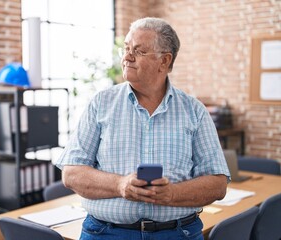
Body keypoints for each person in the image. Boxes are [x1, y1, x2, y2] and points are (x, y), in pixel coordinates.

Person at [56, 17, 230, 240]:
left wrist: (172, 194)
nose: (127, 57)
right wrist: (119, 185)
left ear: (164, 61)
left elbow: (217, 184)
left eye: (138, 51)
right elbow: (71, 174)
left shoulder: (194, 110)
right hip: (105, 232)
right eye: (126, 48)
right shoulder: (101, 103)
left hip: (177, 233)